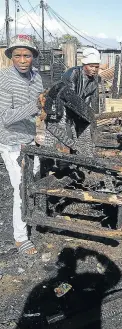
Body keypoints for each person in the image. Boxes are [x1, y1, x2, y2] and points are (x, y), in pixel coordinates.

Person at [0, 35, 43, 255]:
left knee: (33, 183)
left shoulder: (37, 78)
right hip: (10, 141)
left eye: (27, 55)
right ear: (11, 58)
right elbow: (6, 117)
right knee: (20, 188)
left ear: (34, 57)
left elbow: (40, 110)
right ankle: (20, 237)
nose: (23, 60)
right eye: (18, 55)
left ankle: (30, 216)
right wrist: (35, 105)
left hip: (29, 139)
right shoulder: (5, 79)